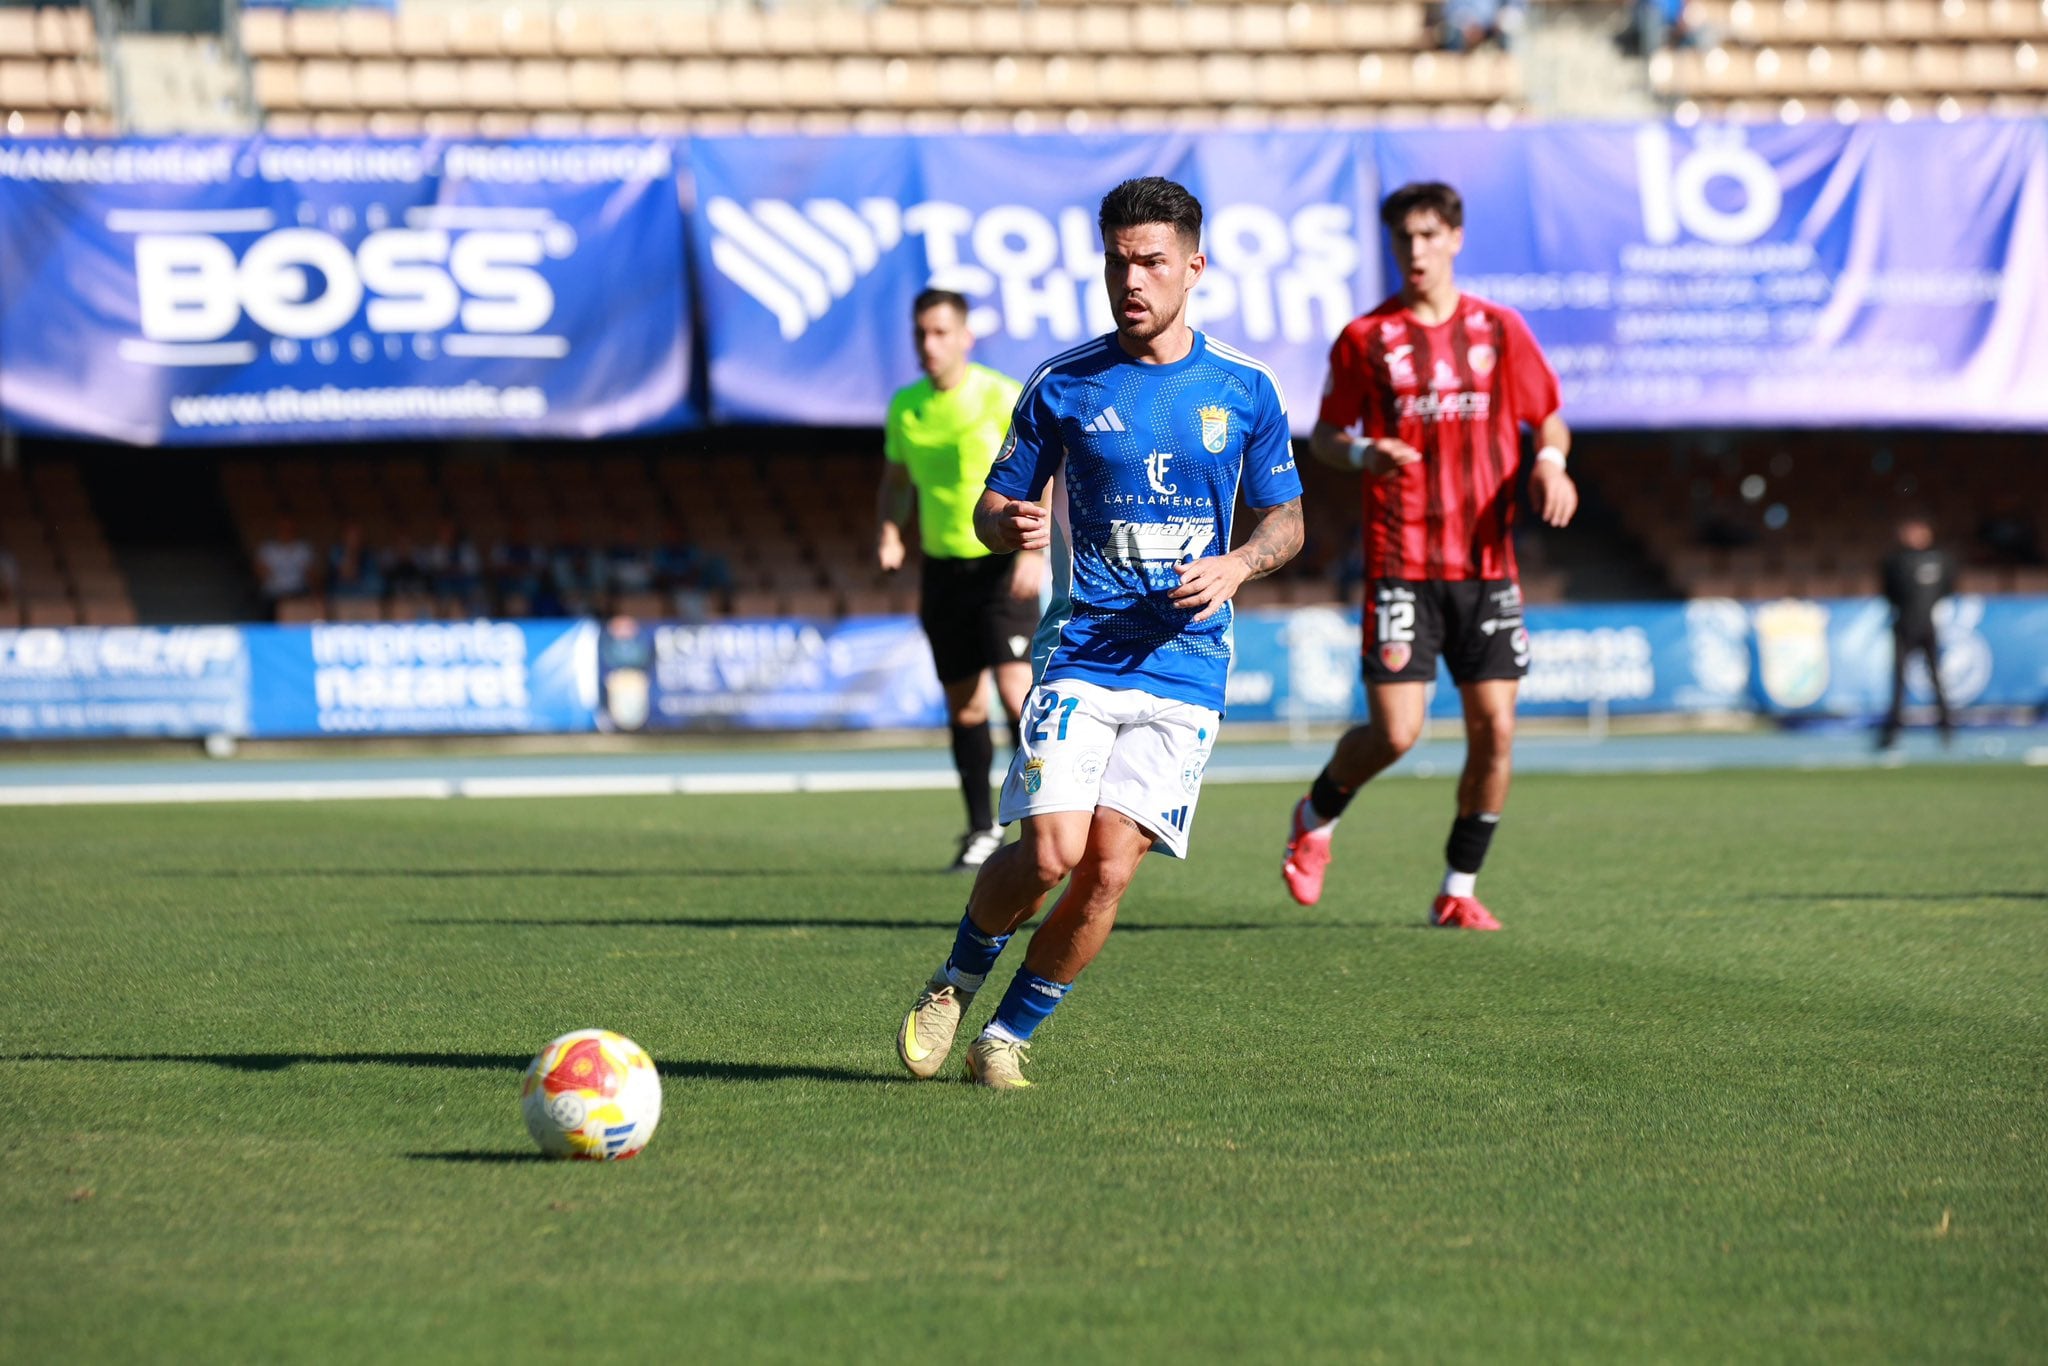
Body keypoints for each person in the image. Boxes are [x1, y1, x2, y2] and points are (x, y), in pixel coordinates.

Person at [894, 176, 1305, 1089]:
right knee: (1051, 852)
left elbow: (1287, 522)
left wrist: (1238, 565)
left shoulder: (1245, 388)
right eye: (1119, 262)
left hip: (1190, 666)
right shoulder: (1063, 381)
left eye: (1153, 262)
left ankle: (1006, 1039)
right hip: (1083, 650)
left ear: (1194, 267)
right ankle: (956, 979)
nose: (1133, 280)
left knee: (1110, 870)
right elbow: (995, 501)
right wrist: (1006, 524)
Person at [1280, 180, 1577, 932]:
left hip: (1485, 566)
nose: (1415, 251)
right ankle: (1315, 814)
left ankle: (1458, 887)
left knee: (1497, 731)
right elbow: (1323, 436)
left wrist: (1550, 463)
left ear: (1455, 238)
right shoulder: (1365, 339)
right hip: (1402, 559)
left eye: (1428, 236)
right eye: (1403, 239)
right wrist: (1360, 450)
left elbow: (1548, 418)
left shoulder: (1500, 331)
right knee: (1397, 733)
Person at [878, 288, 1037, 872]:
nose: (929, 344)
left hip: (1001, 567)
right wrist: (891, 531)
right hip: (942, 572)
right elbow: (896, 480)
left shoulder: (1000, 394)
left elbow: (1039, 474)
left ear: (966, 337)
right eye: (921, 333)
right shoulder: (907, 407)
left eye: (941, 332)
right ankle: (980, 830)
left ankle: (1044, 817)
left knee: (1016, 692)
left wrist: (1031, 554)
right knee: (965, 708)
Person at [1879, 514, 1955, 749]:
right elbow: (1889, 590)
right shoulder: (1895, 560)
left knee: (1936, 678)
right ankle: (1893, 731)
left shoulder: (1941, 559)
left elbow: (1947, 588)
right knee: (1899, 681)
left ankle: (1946, 728)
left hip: (1928, 627)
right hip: (1904, 626)